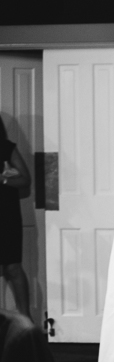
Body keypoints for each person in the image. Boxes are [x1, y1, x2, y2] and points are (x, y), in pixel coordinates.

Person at [0, 116, 32, 318]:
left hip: (6, 215)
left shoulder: (5, 148)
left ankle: (26, 320)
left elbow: (25, 180)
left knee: (13, 267)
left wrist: (3, 179)